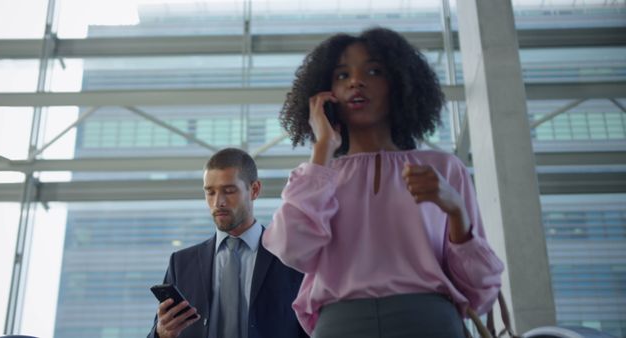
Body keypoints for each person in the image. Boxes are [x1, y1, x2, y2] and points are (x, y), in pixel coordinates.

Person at [262, 27, 505, 338]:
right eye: (341, 75)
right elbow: (293, 251)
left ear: (399, 83)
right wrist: (322, 148)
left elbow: (479, 289)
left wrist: (457, 212)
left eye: (374, 70)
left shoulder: (443, 168)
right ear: (325, 92)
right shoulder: (314, 175)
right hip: (341, 325)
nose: (356, 81)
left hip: (428, 322)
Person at [148, 148, 307, 338]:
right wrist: (161, 333)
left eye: (229, 191)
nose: (218, 202)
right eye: (210, 192)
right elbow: (158, 332)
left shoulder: (290, 257)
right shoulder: (181, 263)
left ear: (254, 190)